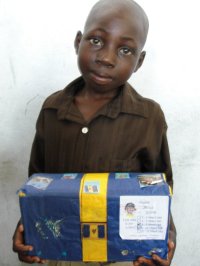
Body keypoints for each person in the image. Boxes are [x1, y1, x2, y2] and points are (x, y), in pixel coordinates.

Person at [12, 0, 177, 265]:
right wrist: (27, 227)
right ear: (78, 42)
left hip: (120, 253)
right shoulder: (52, 110)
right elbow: (38, 181)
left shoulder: (148, 118)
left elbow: (160, 188)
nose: (106, 58)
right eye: (97, 41)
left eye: (125, 49)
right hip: (61, 250)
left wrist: (167, 238)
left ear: (139, 61)